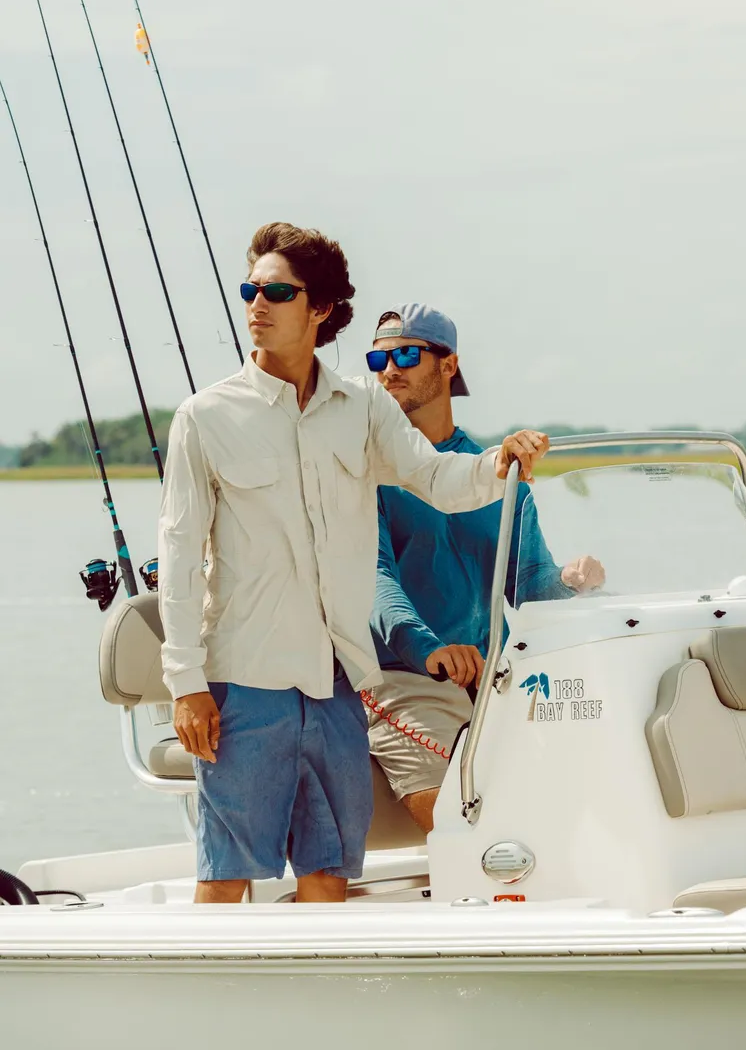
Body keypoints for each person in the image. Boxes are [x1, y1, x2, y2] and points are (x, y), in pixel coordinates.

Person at [157, 225, 550, 905]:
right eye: (250, 290)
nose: (256, 304)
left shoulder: (363, 407)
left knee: (329, 871)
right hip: (243, 685)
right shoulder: (205, 416)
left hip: (339, 684)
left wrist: (500, 463)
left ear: (320, 309)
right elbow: (180, 556)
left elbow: (435, 478)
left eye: (277, 292)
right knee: (225, 874)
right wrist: (186, 683)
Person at [366, 304, 605, 833]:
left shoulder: (495, 471)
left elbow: (529, 582)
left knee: (584, 792)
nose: (389, 371)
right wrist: (429, 649)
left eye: (406, 355)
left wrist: (569, 581)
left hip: (493, 678)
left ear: (449, 364)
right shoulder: (368, 470)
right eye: (378, 359)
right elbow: (371, 578)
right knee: (463, 825)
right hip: (401, 676)